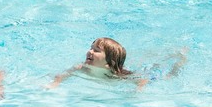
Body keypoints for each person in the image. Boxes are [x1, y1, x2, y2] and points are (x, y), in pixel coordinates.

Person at [47, 37, 186, 90]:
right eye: (91, 48)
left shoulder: (117, 76)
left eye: (96, 50)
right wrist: (55, 84)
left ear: (109, 62)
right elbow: (62, 75)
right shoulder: (81, 68)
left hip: (142, 74)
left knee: (167, 77)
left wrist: (137, 92)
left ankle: (179, 60)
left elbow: (142, 81)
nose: (90, 52)